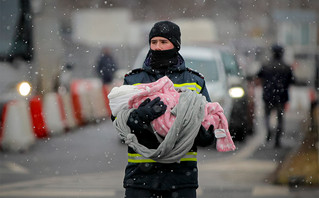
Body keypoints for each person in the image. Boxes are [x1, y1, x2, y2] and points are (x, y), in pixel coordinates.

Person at [112, 21, 222, 198]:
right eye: (154, 42)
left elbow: (210, 124)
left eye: (164, 42)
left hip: (181, 178)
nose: (158, 47)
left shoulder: (195, 81)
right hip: (140, 177)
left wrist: (202, 132)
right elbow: (118, 123)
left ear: (176, 45)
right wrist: (139, 117)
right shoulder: (134, 80)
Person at [257, 44, 295, 148]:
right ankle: (277, 139)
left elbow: (258, 76)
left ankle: (269, 131)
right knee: (280, 118)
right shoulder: (286, 67)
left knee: (267, 116)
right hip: (281, 96)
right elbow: (292, 80)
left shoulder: (266, 65)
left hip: (268, 96)